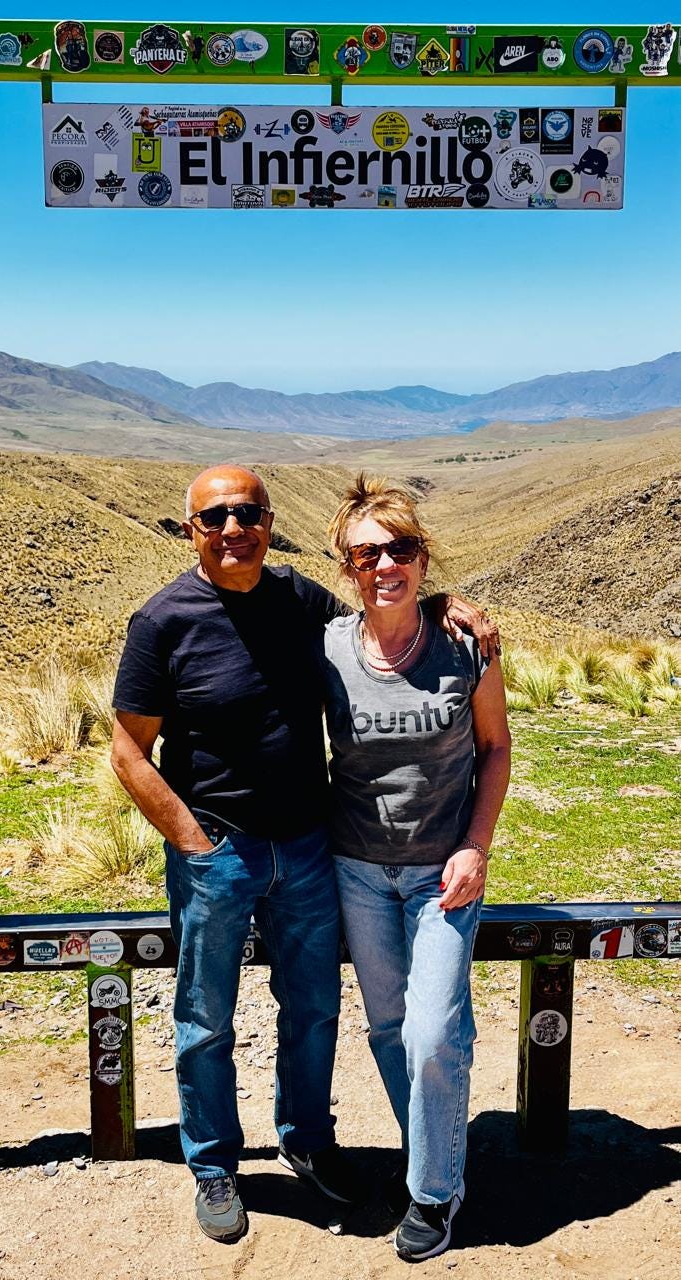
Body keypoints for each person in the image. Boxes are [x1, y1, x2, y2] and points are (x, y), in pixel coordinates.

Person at [111, 463, 498, 1244]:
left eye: (248, 513)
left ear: (269, 522)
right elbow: (127, 751)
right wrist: (194, 844)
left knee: (314, 1009)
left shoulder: (300, 600)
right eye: (215, 516)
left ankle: (308, 1141)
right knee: (205, 1019)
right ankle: (214, 1166)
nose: (233, 528)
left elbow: (381, 606)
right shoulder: (162, 622)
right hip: (220, 853)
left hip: (312, 848)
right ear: (190, 529)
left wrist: (441, 603)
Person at [322, 474, 511, 1261]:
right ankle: (429, 1153)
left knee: (434, 1031)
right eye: (367, 554)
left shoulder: (466, 645)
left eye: (399, 549)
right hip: (357, 870)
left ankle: (434, 1192)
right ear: (348, 569)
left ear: (423, 557)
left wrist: (476, 845)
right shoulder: (329, 647)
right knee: (389, 1029)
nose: (384, 565)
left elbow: (495, 748)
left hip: (444, 874)